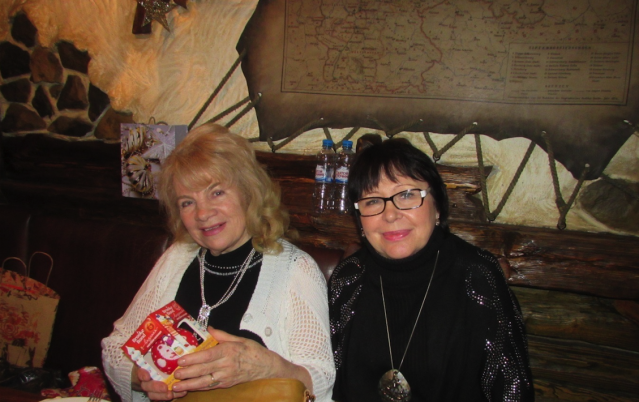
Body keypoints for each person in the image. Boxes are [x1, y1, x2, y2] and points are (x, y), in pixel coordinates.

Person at [102, 123, 335, 402]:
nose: (202, 213)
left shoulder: (296, 269)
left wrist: (269, 367)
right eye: (187, 202)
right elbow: (115, 348)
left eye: (216, 193)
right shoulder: (177, 257)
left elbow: (322, 382)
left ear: (248, 192)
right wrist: (142, 377)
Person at [328, 138, 534, 402]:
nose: (390, 215)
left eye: (406, 195)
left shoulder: (477, 276)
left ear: (437, 205)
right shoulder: (348, 279)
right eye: (373, 201)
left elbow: (512, 392)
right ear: (359, 219)